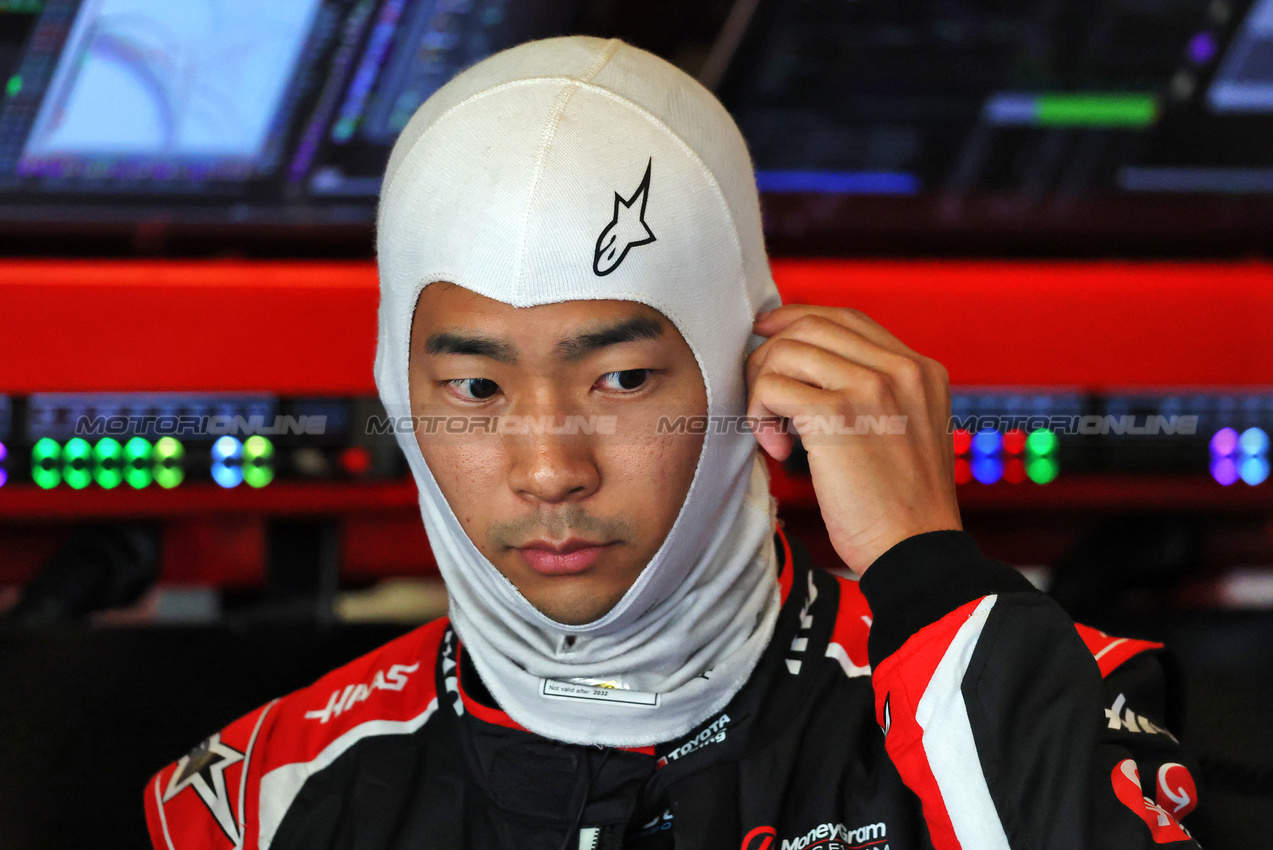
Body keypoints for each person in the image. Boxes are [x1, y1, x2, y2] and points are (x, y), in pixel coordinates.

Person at [144, 36, 1203, 850]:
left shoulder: (1046, 690)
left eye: (622, 379)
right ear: (394, 385)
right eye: (474, 386)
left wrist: (927, 568)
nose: (550, 468)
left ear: (746, 358)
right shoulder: (252, 795)